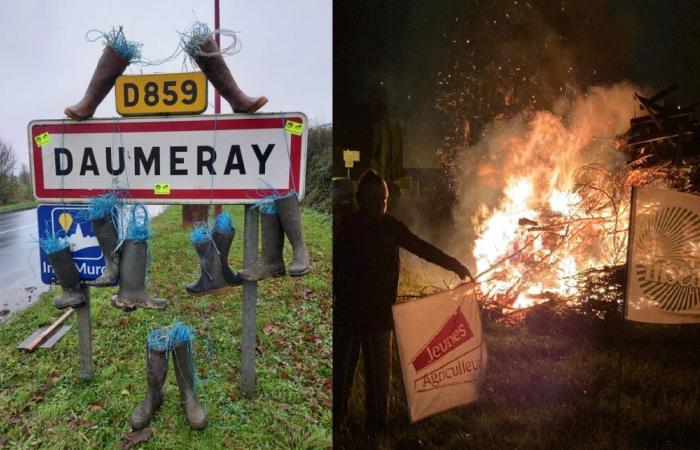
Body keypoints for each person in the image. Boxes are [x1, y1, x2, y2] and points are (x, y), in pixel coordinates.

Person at [333, 169, 473, 436]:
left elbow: (421, 247)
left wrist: (454, 265)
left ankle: (374, 429)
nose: (381, 205)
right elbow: (337, 264)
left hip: (373, 315)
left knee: (376, 380)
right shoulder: (353, 226)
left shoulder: (386, 226)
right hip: (354, 315)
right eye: (377, 200)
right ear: (363, 200)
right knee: (342, 376)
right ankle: (339, 425)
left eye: (384, 200)